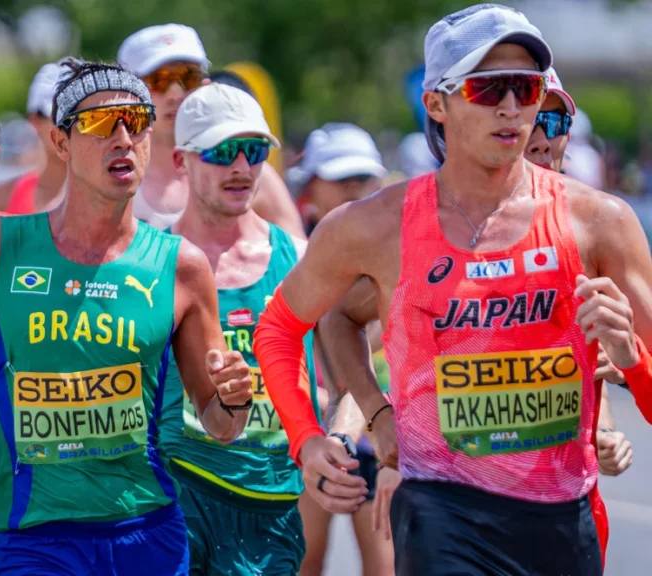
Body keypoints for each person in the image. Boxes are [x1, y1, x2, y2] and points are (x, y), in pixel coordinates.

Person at [252, 5, 652, 575]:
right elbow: (281, 327)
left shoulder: (599, 222)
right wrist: (317, 436)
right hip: (441, 508)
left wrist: (630, 360)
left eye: (527, 87)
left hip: (562, 514)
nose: (513, 108)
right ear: (437, 103)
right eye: (489, 90)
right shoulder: (374, 226)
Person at [0, 58, 253, 576]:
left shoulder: (181, 267)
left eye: (137, 122)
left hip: (146, 532)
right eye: (103, 124)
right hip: (36, 537)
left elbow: (219, 424)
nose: (123, 138)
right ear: (61, 143)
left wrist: (234, 401)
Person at [159, 83, 317, 575]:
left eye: (254, 151)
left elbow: (344, 367)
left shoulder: (301, 259)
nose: (242, 167)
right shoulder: (147, 262)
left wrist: (341, 430)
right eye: (223, 151)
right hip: (175, 493)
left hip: (270, 500)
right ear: (181, 160)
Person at [290, 123, 394, 576]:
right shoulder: (294, 254)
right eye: (341, 179)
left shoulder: (393, 250)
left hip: (385, 434)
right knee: (306, 559)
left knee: (385, 565)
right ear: (309, 188)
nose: (354, 190)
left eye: (363, 178)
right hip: (313, 432)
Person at [524, 69, 633, 478]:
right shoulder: (432, 222)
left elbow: (586, 355)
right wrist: (377, 420)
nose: (540, 138)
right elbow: (343, 317)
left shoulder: (598, 223)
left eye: (553, 122)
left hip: (562, 490)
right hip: (450, 493)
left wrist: (604, 427)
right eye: (529, 119)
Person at [117, 24, 305, 237]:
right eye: (159, 81)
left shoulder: (250, 171)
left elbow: (301, 262)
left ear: (205, 84)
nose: (176, 94)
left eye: (189, 78)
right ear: (126, 92)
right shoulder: (107, 173)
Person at [0, 63, 67, 214]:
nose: (70, 126)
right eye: (59, 117)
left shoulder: (113, 196)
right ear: (35, 120)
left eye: (79, 117)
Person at [291, 123, 387, 236]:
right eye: (342, 178)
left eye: (363, 177)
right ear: (311, 183)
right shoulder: (290, 248)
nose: (353, 185)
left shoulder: (396, 246)